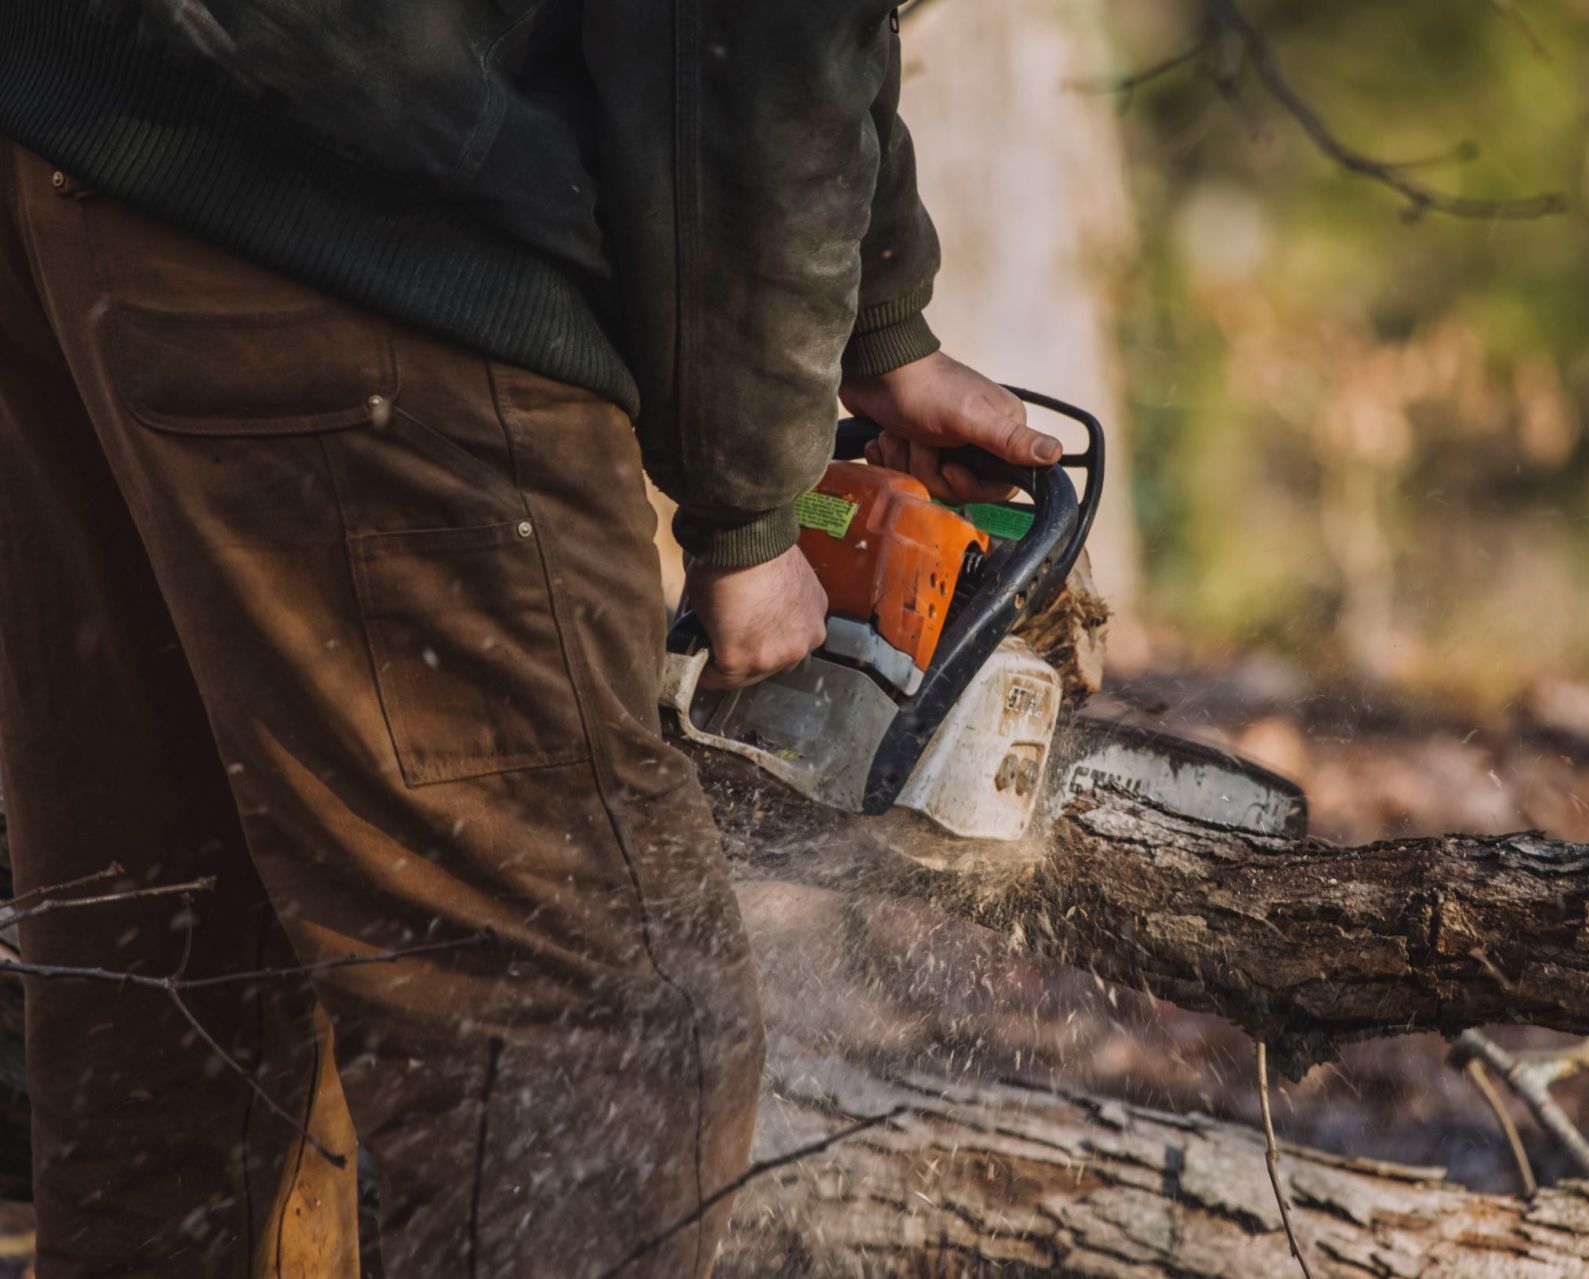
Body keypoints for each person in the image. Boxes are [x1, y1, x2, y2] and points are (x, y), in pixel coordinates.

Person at [0, 1, 1062, 1274]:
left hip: (64, 152)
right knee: (601, 1042)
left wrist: (878, 313)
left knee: (186, 974)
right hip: (359, 221)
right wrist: (752, 503)